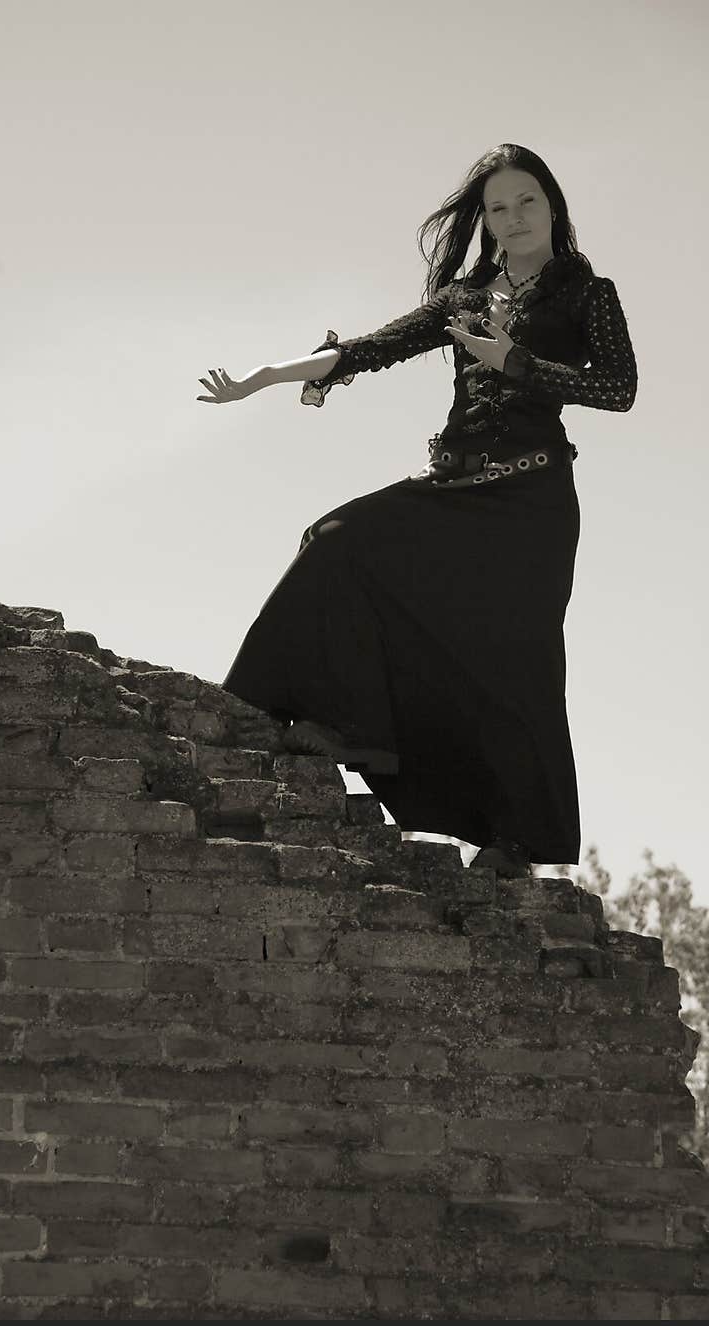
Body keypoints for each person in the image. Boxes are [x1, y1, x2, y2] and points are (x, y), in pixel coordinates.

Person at [197, 144, 637, 878]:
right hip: (455, 488)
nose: (514, 216)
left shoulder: (589, 294)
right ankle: (346, 728)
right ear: (486, 221)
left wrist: (516, 364)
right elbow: (370, 350)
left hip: (532, 505)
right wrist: (267, 375)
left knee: (514, 663)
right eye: (499, 207)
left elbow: (618, 388)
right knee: (339, 541)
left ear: (553, 205)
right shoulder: (465, 299)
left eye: (527, 201)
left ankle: (516, 841)